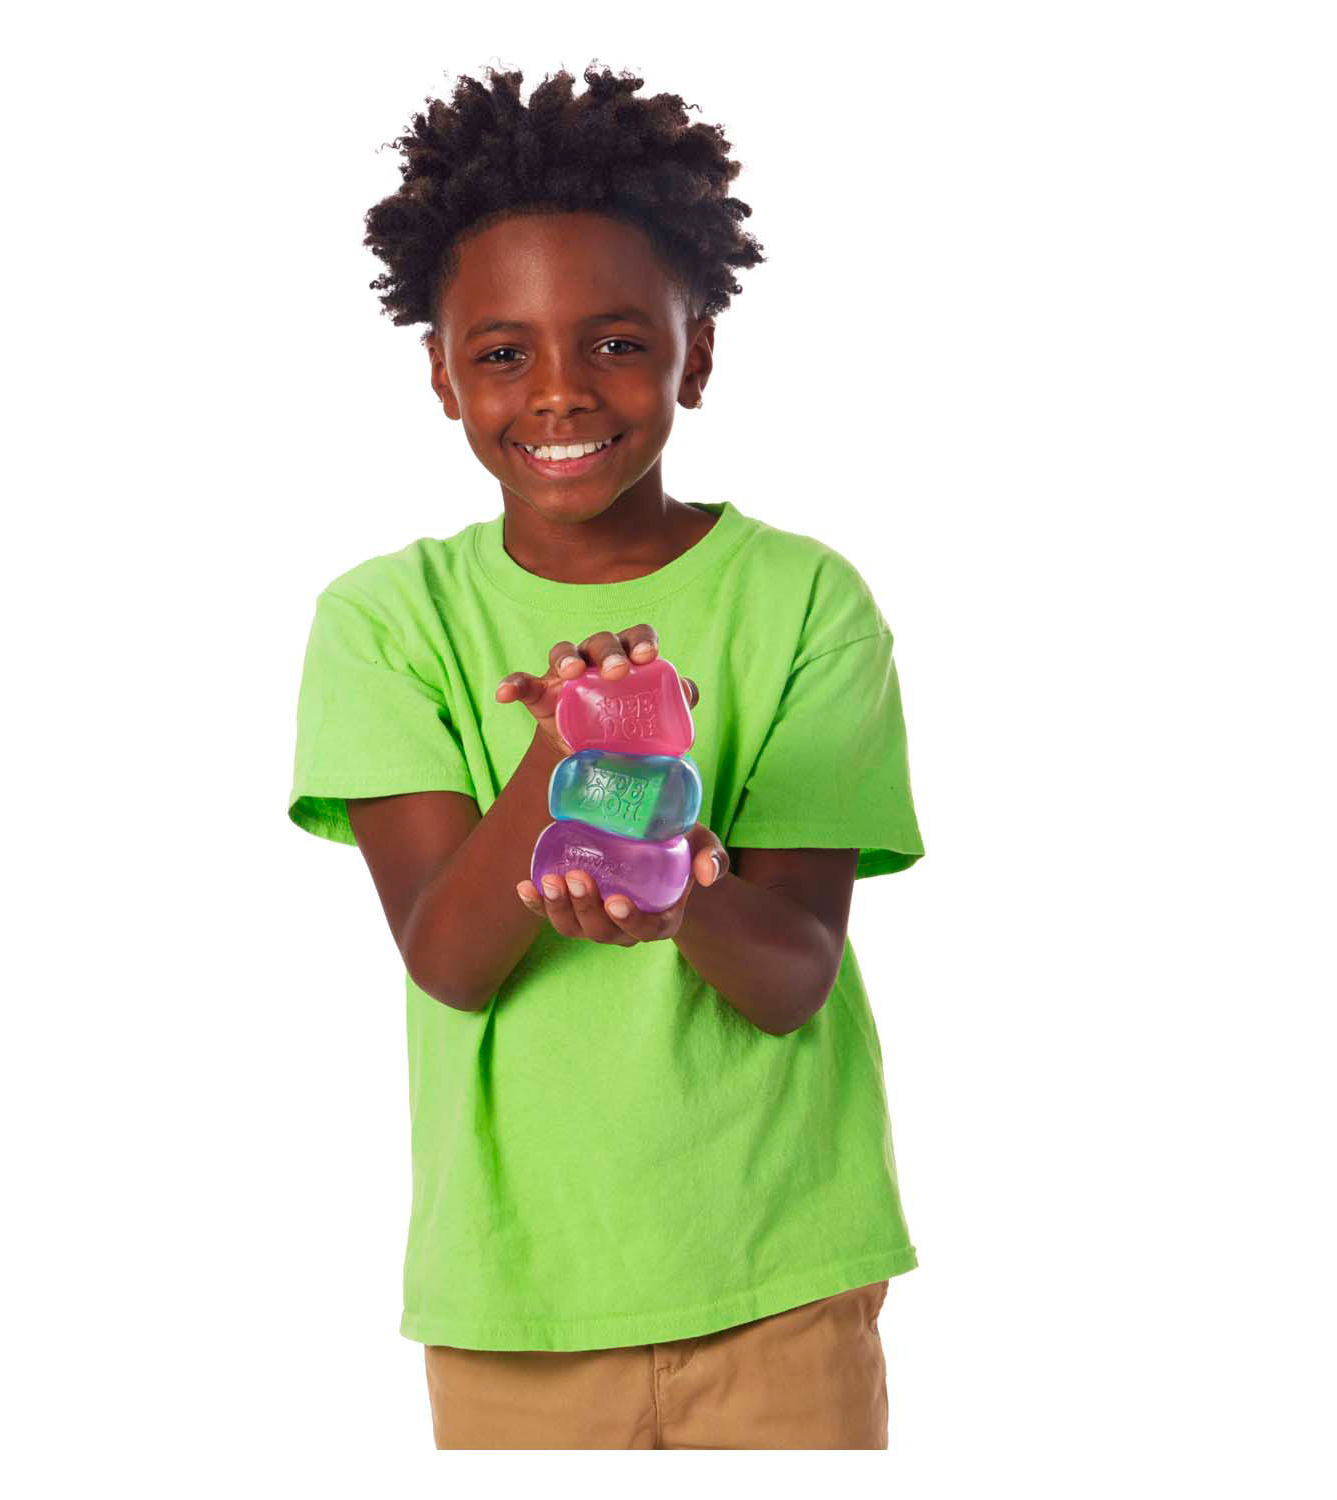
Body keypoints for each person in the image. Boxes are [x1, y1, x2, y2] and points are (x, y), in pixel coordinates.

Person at [287, 63, 926, 1450]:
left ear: (697, 354)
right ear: (442, 375)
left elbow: (791, 979)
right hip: (519, 1300)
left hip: (782, 1278)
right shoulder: (386, 620)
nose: (561, 392)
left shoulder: (805, 601)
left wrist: (682, 892)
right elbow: (451, 958)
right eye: (502, 353)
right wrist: (567, 754)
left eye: (619, 342)